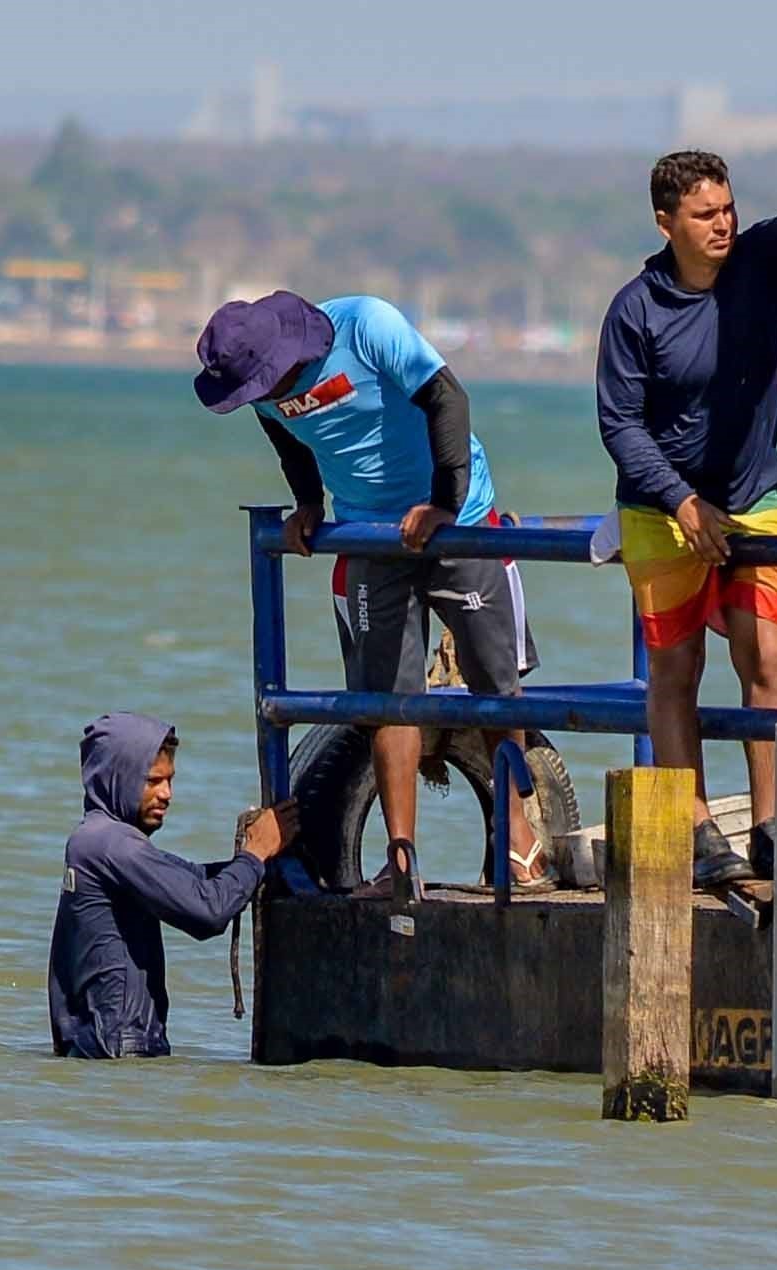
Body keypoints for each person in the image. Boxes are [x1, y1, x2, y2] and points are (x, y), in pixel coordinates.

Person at [192, 286, 527, 898]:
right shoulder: (260, 391)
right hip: (370, 534)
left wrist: (444, 506)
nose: (261, 398)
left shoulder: (368, 327)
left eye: (263, 384)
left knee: (495, 686)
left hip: (459, 519)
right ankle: (400, 861)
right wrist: (310, 506)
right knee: (386, 701)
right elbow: (290, 440)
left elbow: (447, 398)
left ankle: (520, 838)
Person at [588, 120, 777, 892]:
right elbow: (619, 424)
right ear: (666, 222)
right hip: (660, 508)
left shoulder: (760, 266)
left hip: (753, 497)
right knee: (676, 667)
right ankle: (699, 829)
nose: (723, 224)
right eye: (705, 214)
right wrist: (680, 501)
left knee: (764, 653)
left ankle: (771, 826)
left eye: (728, 208)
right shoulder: (635, 311)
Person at [47, 716, 279, 1055]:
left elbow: (192, 880)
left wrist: (257, 863)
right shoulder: (114, 845)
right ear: (118, 778)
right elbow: (208, 912)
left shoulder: (95, 839)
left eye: (170, 780)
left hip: (98, 1047)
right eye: (153, 781)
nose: (166, 794)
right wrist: (254, 855)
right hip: (121, 1051)